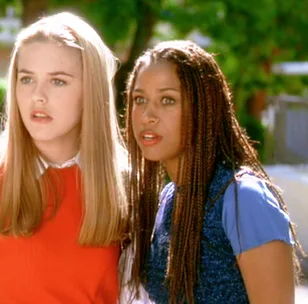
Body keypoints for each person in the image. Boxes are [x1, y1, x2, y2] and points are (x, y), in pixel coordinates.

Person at [0, 12, 128, 303]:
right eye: (26, 79)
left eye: (58, 81)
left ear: (91, 91)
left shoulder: (127, 189)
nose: (38, 96)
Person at [121, 40, 303, 303]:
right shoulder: (167, 200)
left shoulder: (245, 198)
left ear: (203, 109)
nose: (148, 115)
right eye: (140, 99)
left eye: (167, 100)